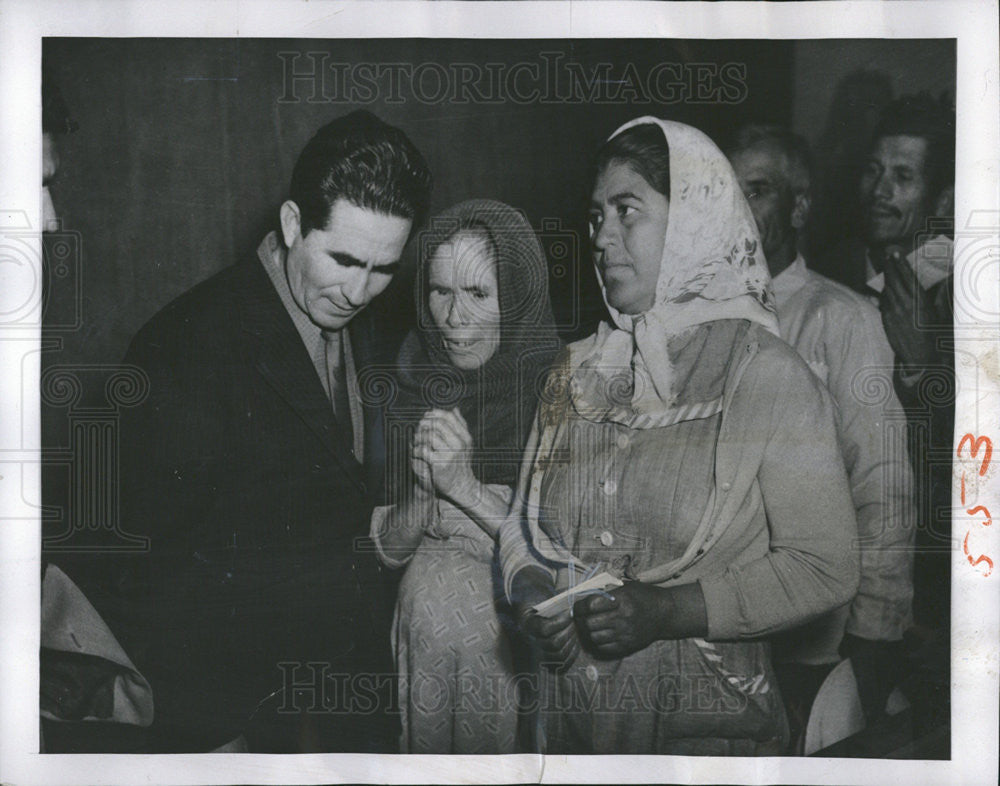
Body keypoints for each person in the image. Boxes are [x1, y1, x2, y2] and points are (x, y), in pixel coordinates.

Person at [499, 117, 861, 756]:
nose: (602, 238)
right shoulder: (575, 369)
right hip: (571, 729)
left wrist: (669, 612)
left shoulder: (768, 375)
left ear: (695, 221)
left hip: (703, 733)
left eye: (626, 211)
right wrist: (533, 594)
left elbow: (826, 569)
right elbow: (522, 528)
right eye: (594, 218)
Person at [88, 110, 432, 752]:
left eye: (383, 267)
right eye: (345, 259)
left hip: (342, 698)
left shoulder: (371, 327)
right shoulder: (184, 346)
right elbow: (160, 581)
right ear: (294, 224)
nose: (359, 291)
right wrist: (377, 547)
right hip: (229, 721)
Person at [727, 125, 916, 737]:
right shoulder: (697, 322)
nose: (734, 209)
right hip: (723, 628)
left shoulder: (841, 317)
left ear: (798, 206)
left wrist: (875, 631)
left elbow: (882, 480)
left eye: (754, 191)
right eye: (721, 191)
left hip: (817, 641)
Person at [370, 200, 561, 753]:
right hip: (418, 657)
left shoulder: (560, 390)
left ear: (519, 298)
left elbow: (565, 557)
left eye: (479, 294)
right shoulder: (406, 377)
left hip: (511, 664)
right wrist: (425, 493)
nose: (453, 318)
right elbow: (383, 548)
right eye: (440, 291)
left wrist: (464, 488)